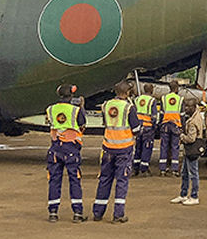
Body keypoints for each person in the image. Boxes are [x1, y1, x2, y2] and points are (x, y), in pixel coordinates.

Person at [92, 81, 141, 223]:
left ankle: (98, 213)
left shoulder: (106, 105)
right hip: (124, 149)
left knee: (104, 179)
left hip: (108, 148)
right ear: (127, 93)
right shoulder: (128, 107)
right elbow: (136, 129)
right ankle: (118, 214)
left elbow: (106, 123)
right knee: (122, 181)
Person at [45, 84, 88, 223]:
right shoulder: (76, 110)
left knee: (54, 180)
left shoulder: (50, 109)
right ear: (72, 96)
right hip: (71, 149)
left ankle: (53, 212)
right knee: (74, 180)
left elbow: (50, 123)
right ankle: (77, 213)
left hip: (55, 148)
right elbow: (82, 125)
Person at [172, 97, 205, 205]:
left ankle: (194, 196)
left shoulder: (193, 121)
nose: (186, 108)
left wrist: (181, 135)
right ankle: (183, 194)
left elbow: (191, 139)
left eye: (188, 106)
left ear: (194, 107)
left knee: (193, 173)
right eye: (185, 106)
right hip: (189, 150)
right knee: (185, 173)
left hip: (192, 149)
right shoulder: (194, 116)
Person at [133, 83, 159, 177]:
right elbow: (154, 116)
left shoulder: (137, 99)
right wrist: (154, 126)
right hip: (148, 128)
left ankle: (135, 167)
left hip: (139, 127)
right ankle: (143, 169)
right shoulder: (152, 100)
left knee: (138, 148)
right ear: (152, 90)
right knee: (146, 148)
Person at [159, 80, 183, 176]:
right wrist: (183, 128)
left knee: (164, 147)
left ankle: (162, 170)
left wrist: (160, 124)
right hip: (176, 126)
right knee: (175, 147)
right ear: (177, 88)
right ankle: (174, 170)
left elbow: (161, 114)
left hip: (165, 125)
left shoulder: (164, 98)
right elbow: (182, 115)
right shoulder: (180, 99)